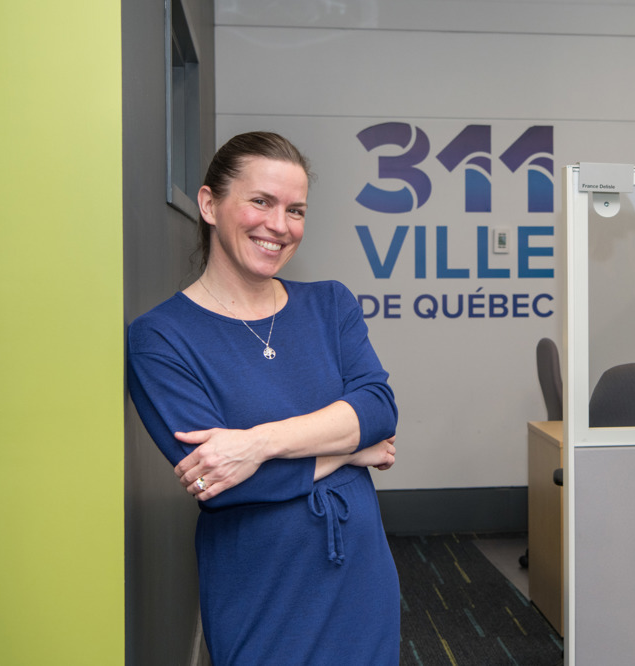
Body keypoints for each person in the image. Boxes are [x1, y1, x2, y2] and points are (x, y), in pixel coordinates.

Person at [127, 131, 401, 664]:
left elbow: (377, 408)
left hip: (361, 580)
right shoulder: (161, 337)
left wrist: (255, 445)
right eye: (261, 201)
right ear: (210, 205)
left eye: (295, 210)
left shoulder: (330, 305)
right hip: (261, 591)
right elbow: (217, 483)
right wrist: (350, 449)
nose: (280, 225)